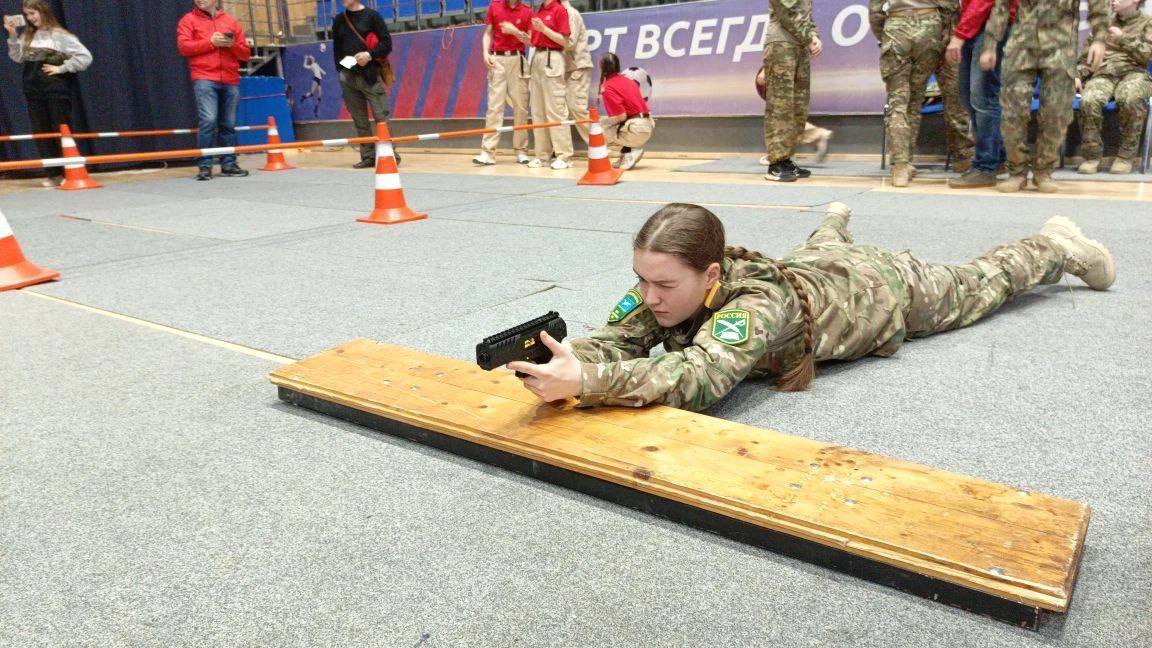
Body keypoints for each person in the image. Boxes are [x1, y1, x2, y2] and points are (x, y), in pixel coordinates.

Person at [507, 202, 1115, 411]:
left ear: (711, 274)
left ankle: (1055, 245)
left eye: (663, 285)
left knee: (983, 284)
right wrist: (560, 357)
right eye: (641, 280)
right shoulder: (668, 284)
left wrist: (587, 381)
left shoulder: (756, 304)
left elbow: (698, 376)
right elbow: (619, 336)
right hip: (810, 271)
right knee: (816, 250)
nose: (648, 297)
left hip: (881, 290)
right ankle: (832, 224)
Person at [980, 0, 1108, 193]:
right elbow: (1001, 6)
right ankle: (1017, 171)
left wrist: (1099, 39)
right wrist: (990, 44)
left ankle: (1043, 171)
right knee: (1012, 113)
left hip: (1060, 48)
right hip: (1021, 47)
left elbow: (1098, 4)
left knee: (1056, 115)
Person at [5, 0, 92, 188]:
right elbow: (17, 57)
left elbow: (85, 57)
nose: (30, 18)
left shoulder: (60, 36)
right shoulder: (28, 36)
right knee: (42, 134)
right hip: (33, 91)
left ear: (43, 11)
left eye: (33, 13)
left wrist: (62, 68)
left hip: (55, 90)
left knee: (61, 131)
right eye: (27, 14)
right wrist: (12, 36)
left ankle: (68, 172)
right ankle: (53, 174)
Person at [870, 0, 944, 188]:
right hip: (930, 25)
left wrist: (884, 36)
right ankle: (907, 160)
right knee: (916, 98)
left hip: (897, 25)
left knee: (898, 99)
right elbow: (949, 6)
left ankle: (900, 165)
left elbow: (875, 12)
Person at [944, 0, 1016, 188]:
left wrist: (960, 35)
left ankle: (985, 167)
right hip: (975, 26)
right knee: (967, 98)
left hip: (993, 26)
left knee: (983, 98)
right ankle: (997, 157)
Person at [1075, 0, 1152, 176]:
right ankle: (1092, 156)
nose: (1113, 1)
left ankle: (1126, 157)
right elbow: (1087, 58)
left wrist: (1123, 39)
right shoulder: (1103, 25)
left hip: (1134, 73)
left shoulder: (1148, 23)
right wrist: (1078, 74)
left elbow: (1148, 55)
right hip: (1103, 73)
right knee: (1089, 99)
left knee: (1131, 98)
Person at [178, 0, 251, 182]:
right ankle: (205, 166)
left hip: (230, 79)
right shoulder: (188, 20)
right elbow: (184, 47)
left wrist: (231, 44)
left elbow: (245, 54)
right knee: (208, 120)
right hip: (204, 78)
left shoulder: (231, 21)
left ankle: (228, 164)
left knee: (228, 123)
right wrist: (210, 42)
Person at [331, 0, 395, 169]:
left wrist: (369, 55)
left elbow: (387, 44)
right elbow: (336, 49)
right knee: (360, 121)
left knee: (382, 117)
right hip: (348, 78)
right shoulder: (338, 20)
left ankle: (390, 154)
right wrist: (341, 71)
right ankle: (368, 156)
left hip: (371, 76)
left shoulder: (373, 16)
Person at [762, 0, 820, 182]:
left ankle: (786, 158)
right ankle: (775, 163)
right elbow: (787, 12)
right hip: (781, 44)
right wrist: (809, 38)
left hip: (800, 46)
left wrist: (814, 35)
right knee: (781, 106)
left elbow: (806, 15)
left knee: (798, 107)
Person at [473, 0, 532, 166]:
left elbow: (531, 40)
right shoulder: (495, 6)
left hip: (518, 59)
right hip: (497, 59)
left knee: (520, 107)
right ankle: (488, 152)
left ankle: (521, 150)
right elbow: (488, 33)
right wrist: (485, 53)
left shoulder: (527, 11)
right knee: (494, 107)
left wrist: (515, 31)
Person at [517, 0, 572, 169]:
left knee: (555, 110)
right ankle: (543, 156)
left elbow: (565, 41)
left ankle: (564, 156)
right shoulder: (538, 12)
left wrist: (544, 29)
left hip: (552, 58)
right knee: (538, 112)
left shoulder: (559, 10)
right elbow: (536, 39)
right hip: (537, 58)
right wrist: (527, 39)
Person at [931, 0, 975, 175]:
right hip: (920, 35)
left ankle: (963, 157)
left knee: (957, 99)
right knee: (909, 99)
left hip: (954, 37)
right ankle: (902, 161)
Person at [598, 53, 654, 170]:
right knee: (613, 124)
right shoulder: (628, 80)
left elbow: (621, 117)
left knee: (601, 128)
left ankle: (631, 152)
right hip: (647, 124)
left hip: (636, 129)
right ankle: (626, 154)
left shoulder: (608, 88)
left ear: (601, 68)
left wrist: (601, 121)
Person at [562, 0, 592, 146]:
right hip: (566, 69)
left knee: (577, 109)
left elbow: (570, 43)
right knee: (563, 111)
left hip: (577, 68)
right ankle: (562, 149)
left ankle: (605, 146)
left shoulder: (570, 14)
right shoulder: (562, 14)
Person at [299, 54, 327, 118]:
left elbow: (320, 69)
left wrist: (323, 72)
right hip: (316, 79)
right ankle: (304, 97)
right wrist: (306, 59)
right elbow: (304, 66)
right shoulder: (311, 66)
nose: (313, 58)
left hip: (319, 80)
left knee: (319, 96)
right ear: (311, 60)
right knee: (312, 93)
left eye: (312, 57)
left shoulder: (316, 64)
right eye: (312, 58)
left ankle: (315, 109)